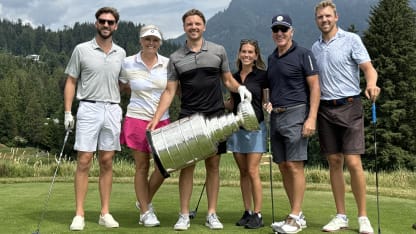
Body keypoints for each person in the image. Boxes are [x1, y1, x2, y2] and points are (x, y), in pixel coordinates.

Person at [147, 8, 252, 231]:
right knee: (187, 166)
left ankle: (211, 214)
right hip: (188, 117)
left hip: (215, 116)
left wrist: (240, 88)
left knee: (213, 166)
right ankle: (184, 215)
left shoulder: (218, 51)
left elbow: (227, 80)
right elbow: (169, 91)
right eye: (189, 24)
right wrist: (157, 118)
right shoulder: (175, 58)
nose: (193, 27)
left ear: (204, 26)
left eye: (197, 24)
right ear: (184, 28)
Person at [311, 1, 381, 234]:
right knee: (334, 162)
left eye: (328, 16)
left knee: (353, 162)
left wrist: (371, 84)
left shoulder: (351, 39)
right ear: (316, 20)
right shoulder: (315, 48)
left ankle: (363, 217)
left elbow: (369, 69)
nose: (325, 20)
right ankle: (341, 215)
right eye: (320, 17)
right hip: (324, 110)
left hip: (350, 106)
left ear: (336, 17)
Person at [63, 6, 126, 231]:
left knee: (107, 161)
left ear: (116, 26)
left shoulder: (121, 53)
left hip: (112, 109)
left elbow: (123, 83)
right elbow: (71, 81)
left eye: (110, 22)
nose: (106, 25)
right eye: (102, 21)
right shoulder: (81, 50)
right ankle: (79, 213)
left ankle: (104, 213)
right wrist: (68, 112)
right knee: (84, 160)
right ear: (96, 23)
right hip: (88, 108)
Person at [267, 14, 320, 234]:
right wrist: (268, 103)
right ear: (273, 33)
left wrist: (311, 117)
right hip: (276, 116)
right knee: (283, 165)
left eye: (284, 29)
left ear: (292, 32)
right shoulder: (272, 58)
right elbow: (272, 86)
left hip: (297, 113)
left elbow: (315, 87)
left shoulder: (303, 54)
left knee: (295, 165)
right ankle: (296, 213)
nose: (280, 33)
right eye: (276, 30)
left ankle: (295, 216)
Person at [119, 24, 169, 227]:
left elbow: (172, 90)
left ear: (160, 43)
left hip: (162, 119)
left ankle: (143, 202)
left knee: (164, 166)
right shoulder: (128, 62)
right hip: (137, 119)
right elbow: (122, 85)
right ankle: (146, 211)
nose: (151, 43)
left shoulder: (167, 63)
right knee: (142, 166)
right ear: (141, 41)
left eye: (155, 40)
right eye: (147, 39)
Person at [224, 39, 267, 229]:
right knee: (243, 172)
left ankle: (258, 214)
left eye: (251, 52)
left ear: (256, 56)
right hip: (236, 129)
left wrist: (269, 105)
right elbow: (231, 104)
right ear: (239, 54)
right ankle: (247, 211)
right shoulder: (232, 78)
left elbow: (266, 100)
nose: (247, 55)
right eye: (244, 52)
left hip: (255, 128)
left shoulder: (263, 76)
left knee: (252, 170)